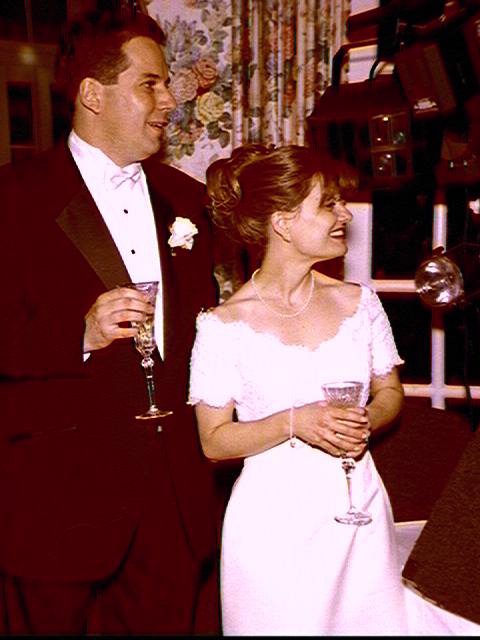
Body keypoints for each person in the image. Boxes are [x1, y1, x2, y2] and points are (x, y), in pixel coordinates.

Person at [188, 143, 480, 635]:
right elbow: (214, 441)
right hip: (270, 524)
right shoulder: (223, 325)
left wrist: (368, 418)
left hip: (358, 506)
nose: (345, 214)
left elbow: (389, 393)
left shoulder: (358, 303)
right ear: (283, 222)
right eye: (329, 204)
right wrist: (295, 421)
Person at [0, 8, 220, 636]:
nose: (170, 100)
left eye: (168, 83)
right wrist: (79, 335)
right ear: (93, 95)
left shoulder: (187, 200)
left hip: (173, 510)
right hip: (55, 507)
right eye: (150, 83)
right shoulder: (13, 198)